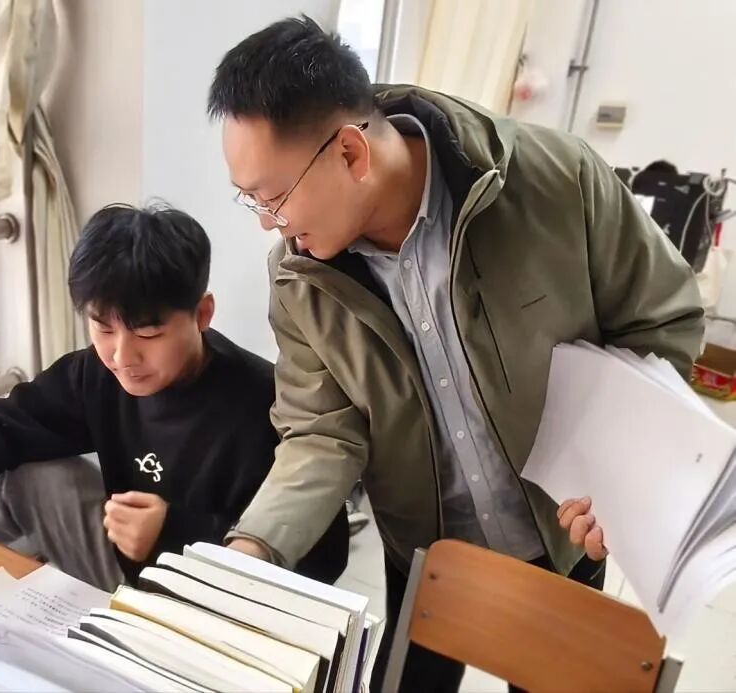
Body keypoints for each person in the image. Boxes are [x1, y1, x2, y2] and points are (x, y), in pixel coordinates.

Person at [207, 16, 704, 691]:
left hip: (563, 537)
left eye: (273, 197)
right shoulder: (299, 278)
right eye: (252, 201)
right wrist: (256, 544)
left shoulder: (555, 183)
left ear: (350, 152)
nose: (269, 223)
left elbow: (661, 320)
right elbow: (322, 430)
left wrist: (620, 471)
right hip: (423, 552)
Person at [0, 203, 349, 591]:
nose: (122, 356)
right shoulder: (97, 373)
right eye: (103, 328)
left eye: (148, 333)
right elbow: (2, 425)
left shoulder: (265, 404)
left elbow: (323, 561)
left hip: (212, 606)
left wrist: (175, 534)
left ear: (202, 314)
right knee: (35, 472)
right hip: (124, 570)